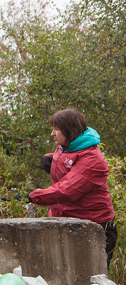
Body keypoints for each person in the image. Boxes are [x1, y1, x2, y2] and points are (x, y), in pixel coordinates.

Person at [29, 108, 117, 269]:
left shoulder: (92, 159)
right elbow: (68, 161)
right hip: (66, 221)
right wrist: (49, 158)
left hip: (95, 227)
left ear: (69, 130)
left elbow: (67, 189)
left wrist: (31, 197)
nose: (52, 133)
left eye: (56, 129)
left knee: (90, 276)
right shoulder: (67, 146)